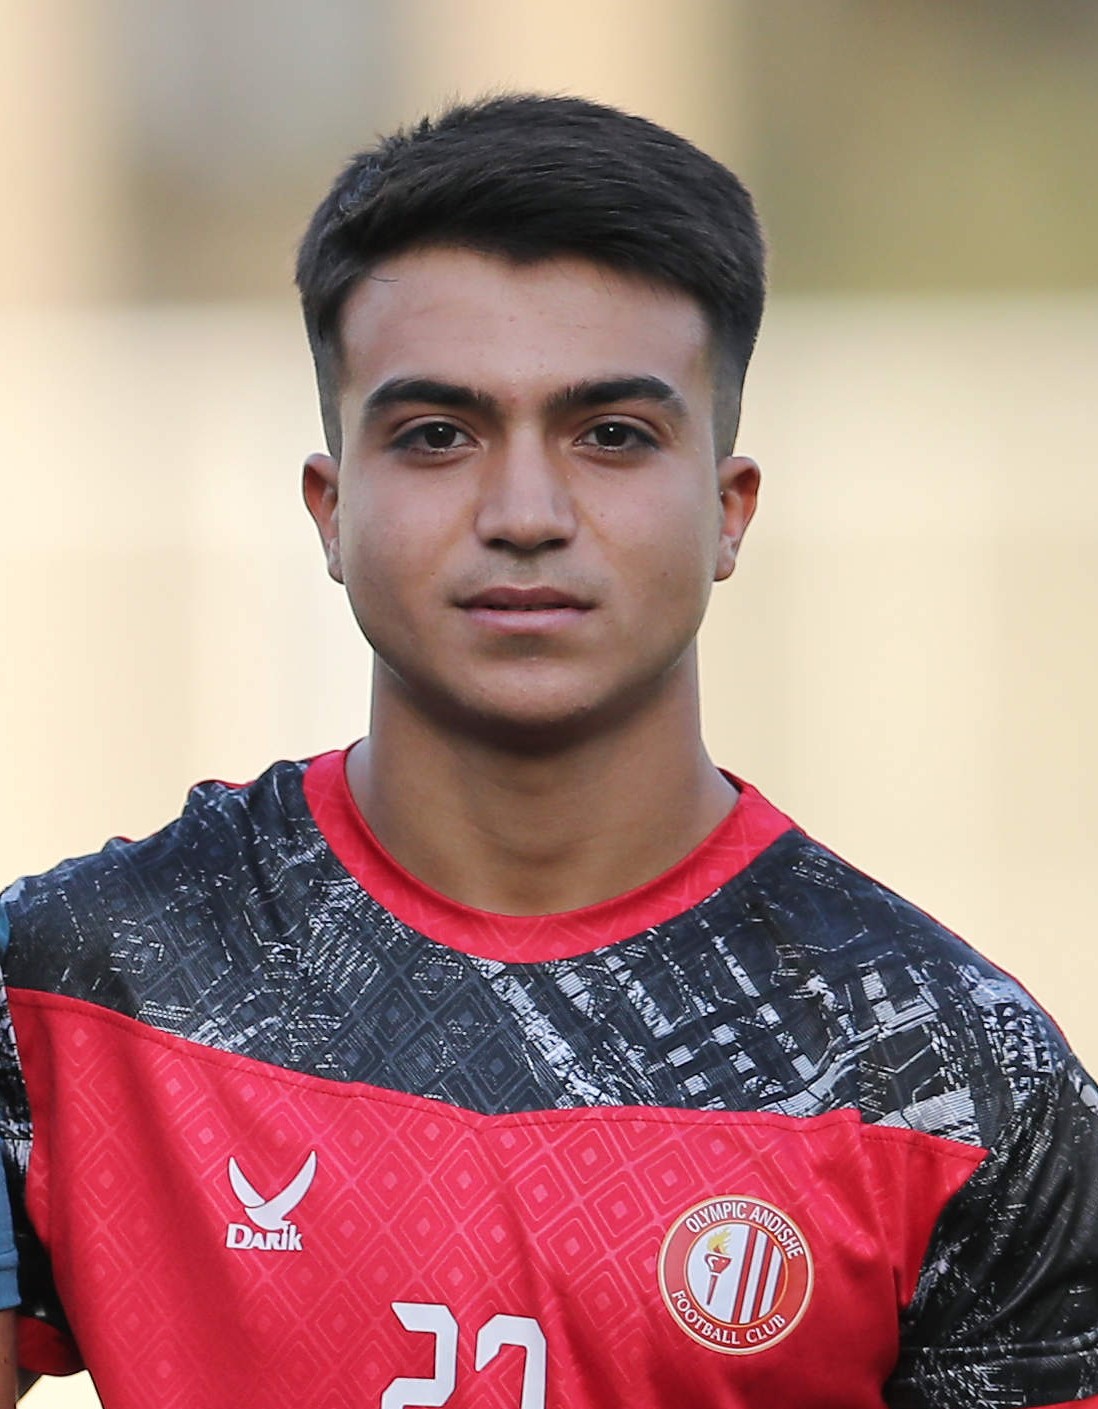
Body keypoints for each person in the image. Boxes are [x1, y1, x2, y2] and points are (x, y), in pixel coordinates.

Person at [0, 93, 1095, 1409]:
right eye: (437, 435)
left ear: (728, 508)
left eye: (612, 435)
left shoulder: (944, 1079)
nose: (525, 511)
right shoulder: (79, 993)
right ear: (331, 508)